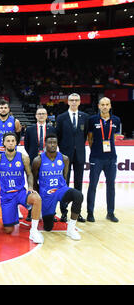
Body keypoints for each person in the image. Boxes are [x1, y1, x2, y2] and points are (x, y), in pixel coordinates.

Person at [0, 132, 44, 244]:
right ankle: (12, 213)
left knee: (37, 198)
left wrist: (30, 187)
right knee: (8, 230)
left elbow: (29, 174)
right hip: (6, 196)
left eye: (13, 141)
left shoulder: (23, 157)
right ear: (3, 143)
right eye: (8, 141)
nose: (10, 143)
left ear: (16, 143)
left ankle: (33, 231)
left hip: (20, 193)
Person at [32, 134, 83, 240]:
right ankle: (43, 212)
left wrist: (66, 191)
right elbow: (34, 179)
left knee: (78, 195)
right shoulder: (38, 160)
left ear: (57, 144)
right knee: (48, 228)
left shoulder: (64, 159)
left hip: (60, 189)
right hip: (46, 194)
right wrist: (38, 196)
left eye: (54, 143)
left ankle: (71, 229)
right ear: (45, 144)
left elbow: (65, 176)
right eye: (50, 143)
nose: (52, 145)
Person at [0, 99, 23, 219]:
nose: (3, 110)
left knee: (13, 180)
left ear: (8, 109)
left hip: (10, 156)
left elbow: (18, 136)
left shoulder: (15, 122)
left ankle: (17, 207)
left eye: (5, 108)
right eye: (1, 108)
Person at [86, 97, 121, 223]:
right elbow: (90, 138)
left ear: (110, 106)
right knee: (93, 186)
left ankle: (110, 213)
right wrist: (95, 151)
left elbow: (114, 137)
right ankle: (90, 213)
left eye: (107, 104)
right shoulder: (92, 120)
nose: (105, 107)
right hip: (96, 158)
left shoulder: (116, 120)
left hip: (111, 158)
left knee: (111, 186)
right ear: (99, 106)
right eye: (102, 104)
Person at [55, 93, 88, 223]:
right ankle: (64, 212)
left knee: (78, 184)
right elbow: (58, 135)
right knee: (65, 184)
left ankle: (77, 213)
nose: (74, 102)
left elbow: (84, 135)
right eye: (72, 100)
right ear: (68, 102)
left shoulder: (85, 117)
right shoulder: (61, 117)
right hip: (65, 156)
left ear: (80, 102)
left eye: (76, 100)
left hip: (80, 154)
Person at [23, 106, 55, 221]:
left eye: (43, 114)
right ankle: (31, 211)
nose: (41, 115)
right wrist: (34, 156)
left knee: (47, 186)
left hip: (48, 161)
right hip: (33, 160)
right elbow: (26, 145)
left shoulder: (52, 129)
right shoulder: (30, 129)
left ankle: (49, 212)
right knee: (32, 186)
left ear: (47, 116)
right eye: (39, 114)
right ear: (36, 116)